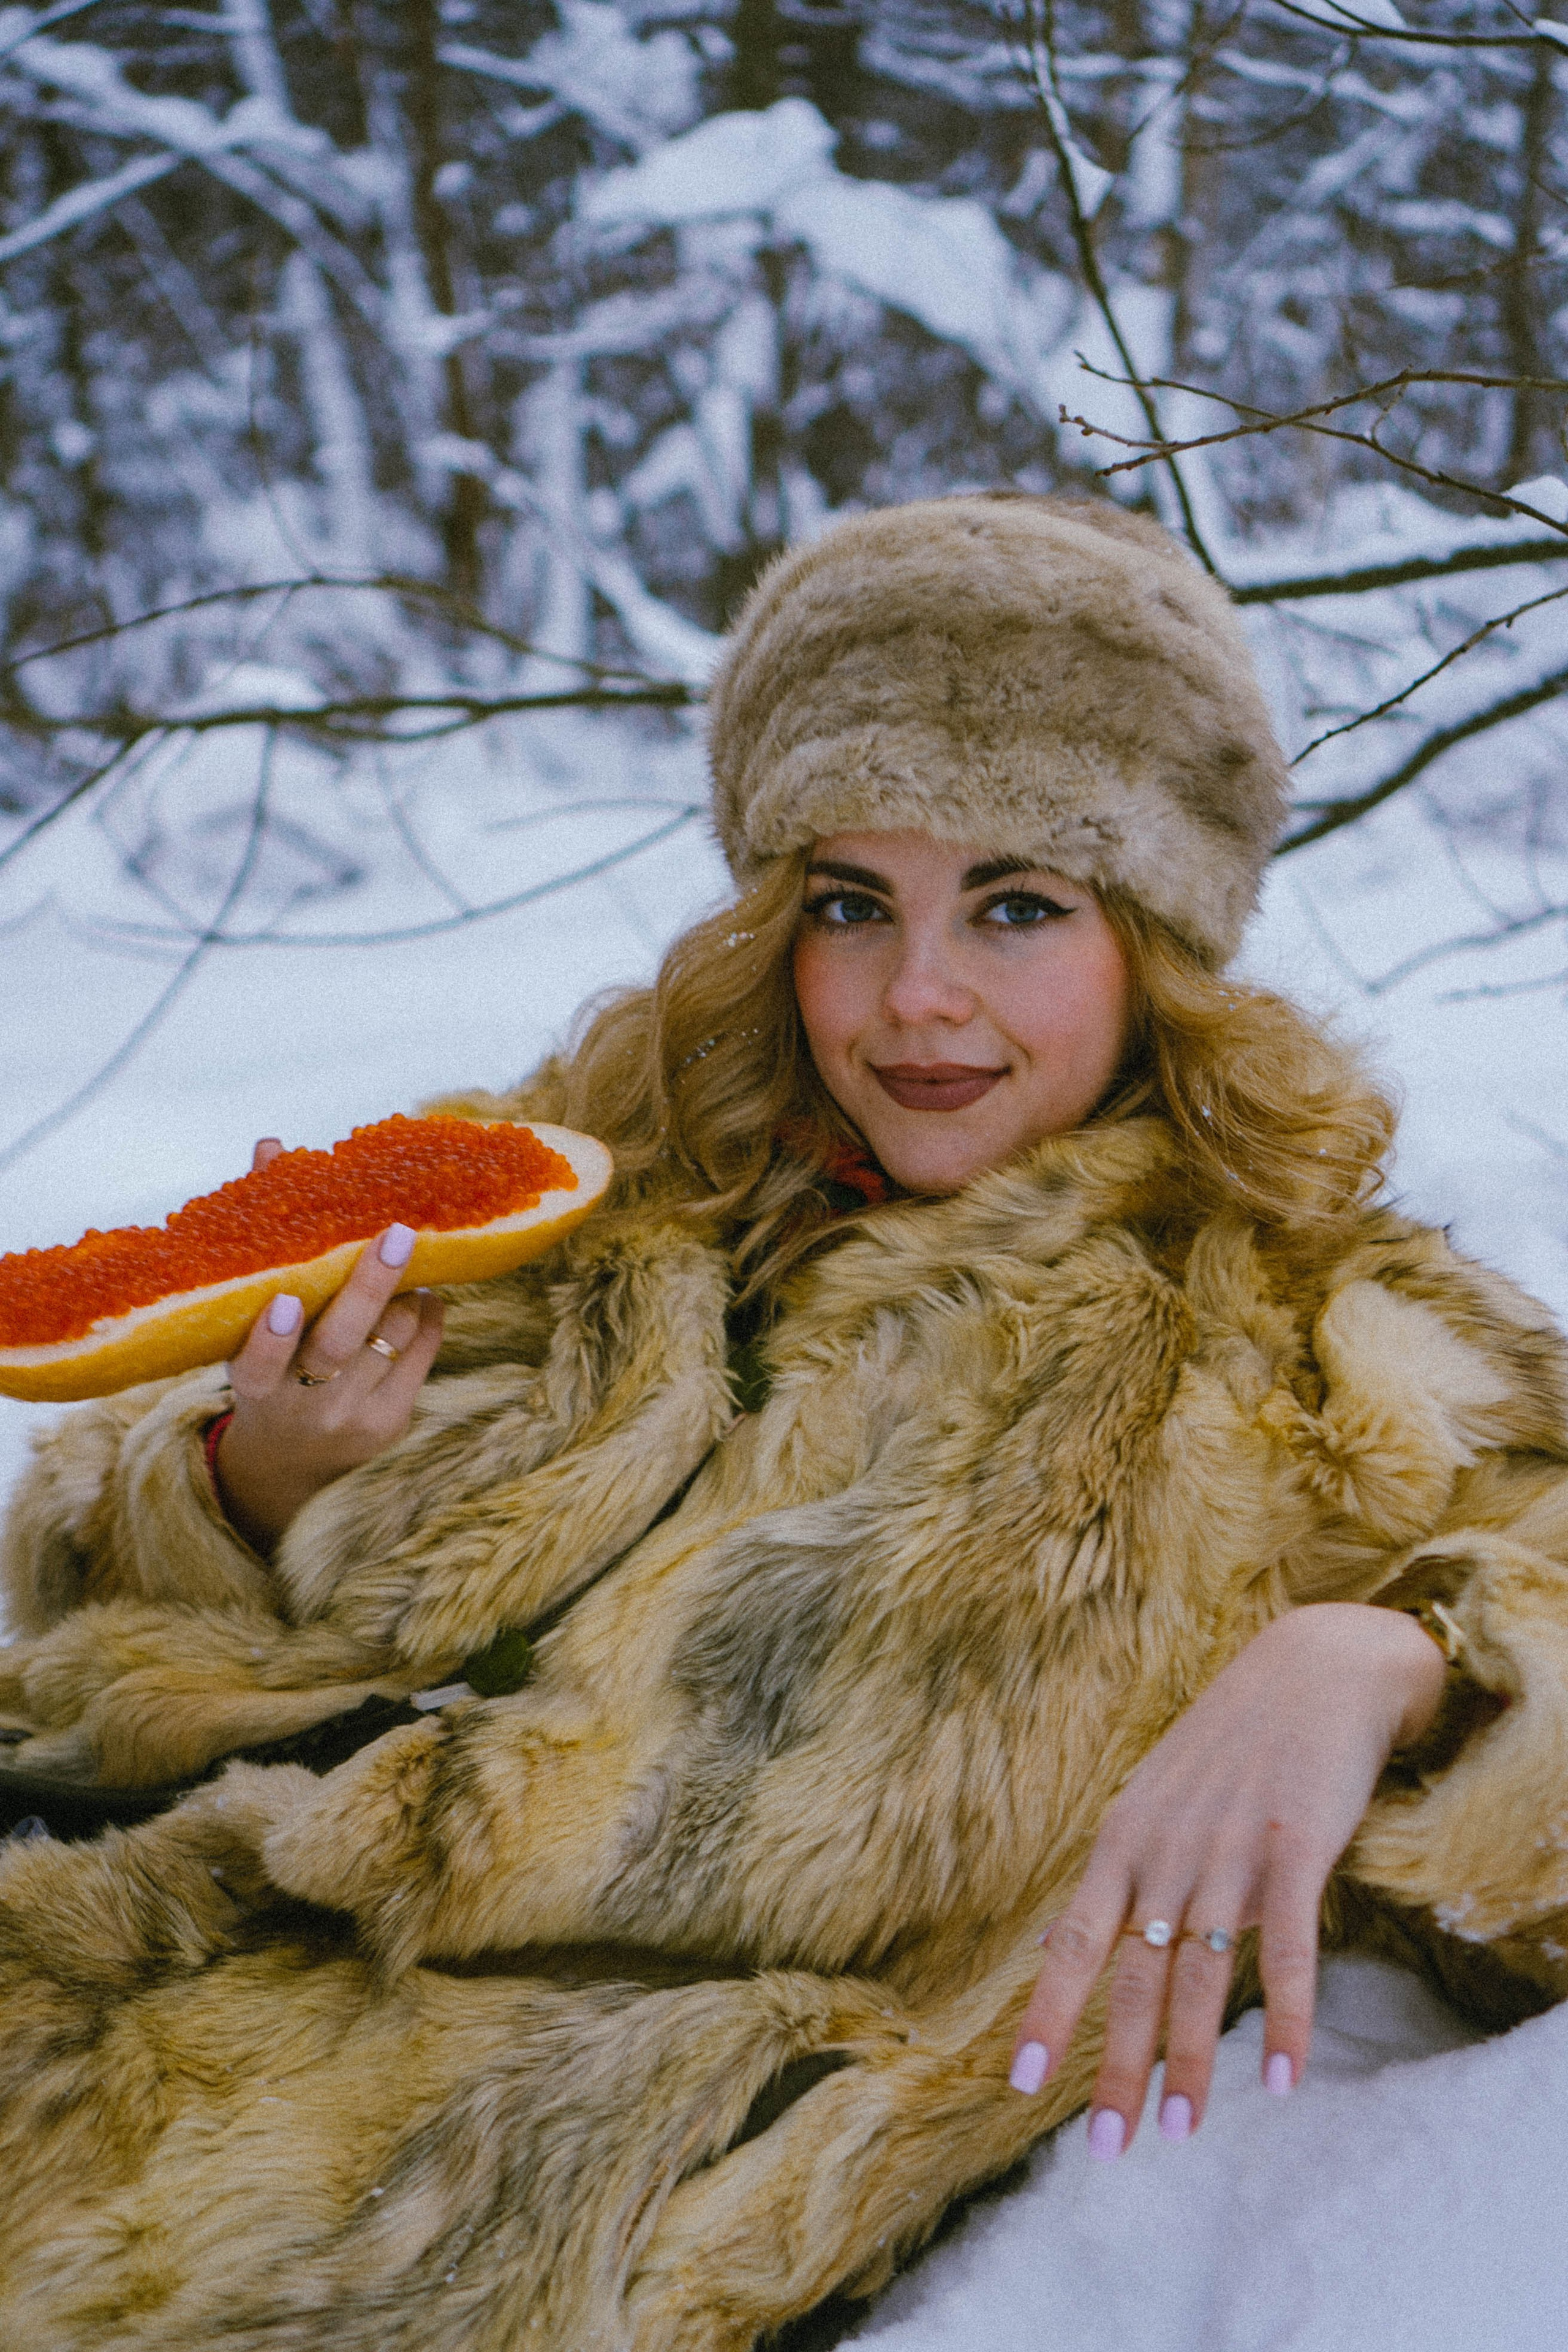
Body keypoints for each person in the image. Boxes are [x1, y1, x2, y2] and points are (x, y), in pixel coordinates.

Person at [1, 493, 1566, 2351]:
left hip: (509, 2165)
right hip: (147, 1949)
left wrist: (1384, 1654)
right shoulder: (596, 1199)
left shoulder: (1331, 1326)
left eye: (1017, 906)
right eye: (851, 905)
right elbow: (95, 1610)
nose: (918, 998)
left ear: (1155, 936)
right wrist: (254, 1486)